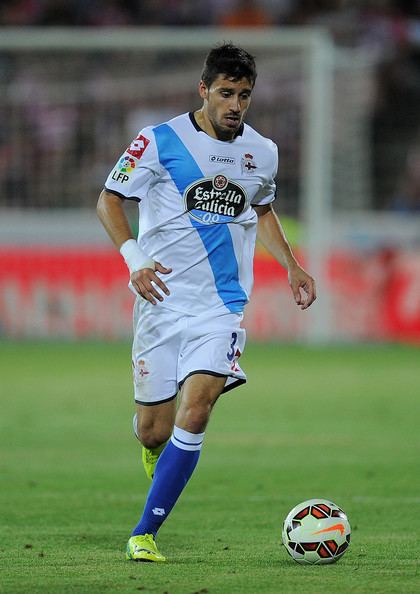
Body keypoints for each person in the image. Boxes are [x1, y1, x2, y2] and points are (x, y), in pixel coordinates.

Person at [97, 42, 316, 563]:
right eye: (225, 93)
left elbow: (262, 210)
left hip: (221, 307)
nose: (235, 104)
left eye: (244, 94)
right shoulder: (158, 140)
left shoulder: (262, 151)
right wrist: (134, 259)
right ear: (204, 89)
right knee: (154, 429)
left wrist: (291, 263)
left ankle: (144, 534)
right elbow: (109, 199)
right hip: (160, 301)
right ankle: (156, 450)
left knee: (196, 412)